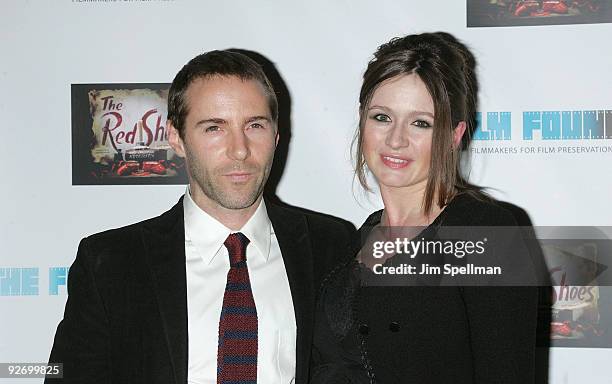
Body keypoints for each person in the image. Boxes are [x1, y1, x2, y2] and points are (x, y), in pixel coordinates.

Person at [46, 50, 354, 384]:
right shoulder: (111, 263)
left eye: (254, 125)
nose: (239, 149)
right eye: (214, 128)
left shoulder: (331, 247)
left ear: (277, 135)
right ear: (176, 138)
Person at [310, 32, 541, 383]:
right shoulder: (350, 245)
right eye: (382, 117)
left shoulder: (485, 232)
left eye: (421, 123)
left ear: (454, 135)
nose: (396, 139)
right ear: (362, 120)